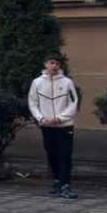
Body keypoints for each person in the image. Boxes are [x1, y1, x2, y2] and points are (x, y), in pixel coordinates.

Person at [28, 55, 79, 200]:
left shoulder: (67, 82)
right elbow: (32, 102)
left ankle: (65, 185)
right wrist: (41, 118)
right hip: (46, 125)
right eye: (51, 63)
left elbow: (73, 102)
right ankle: (57, 181)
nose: (54, 66)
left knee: (65, 155)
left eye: (57, 63)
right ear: (45, 64)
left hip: (64, 125)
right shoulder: (37, 83)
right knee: (52, 153)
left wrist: (60, 118)